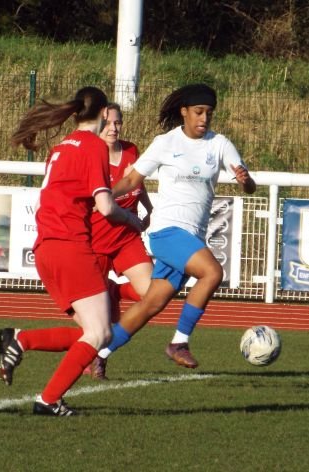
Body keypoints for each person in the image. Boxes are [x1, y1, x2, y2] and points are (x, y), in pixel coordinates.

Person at [91, 83, 256, 378]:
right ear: (184, 112)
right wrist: (102, 196)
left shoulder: (219, 144)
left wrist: (246, 181)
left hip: (191, 237)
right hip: (166, 232)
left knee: (151, 303)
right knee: (213, 273)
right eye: (198, 112)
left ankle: (99, 355)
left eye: (208, 113)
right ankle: (178, 343)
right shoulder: (165, 143)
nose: (204, 118)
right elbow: (131, 181)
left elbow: (249, 184)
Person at [0, 86, 142, 416]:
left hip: (46, 247)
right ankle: (48, 400)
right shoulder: (94, 146)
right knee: (100, 333)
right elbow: (105, 206)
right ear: (104, 114)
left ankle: (20, 340)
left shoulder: (59, 148)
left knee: (90, 334)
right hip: (71, 245)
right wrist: (133, 221)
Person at [87, 103, 154, 380]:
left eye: (118, 122)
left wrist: (149, 207)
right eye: (108, 123)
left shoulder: (132, 151)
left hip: (127, 237)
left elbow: (138, 184)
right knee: (97, 322)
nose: (113, 128)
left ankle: (115, 292)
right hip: (96, 241)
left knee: (152, 293)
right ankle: (95, 361)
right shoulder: (90, 155)